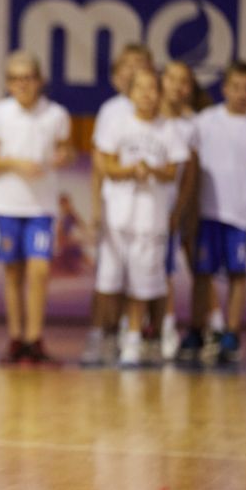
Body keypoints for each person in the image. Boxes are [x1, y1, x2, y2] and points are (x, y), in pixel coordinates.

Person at [177, 60, 246, 366]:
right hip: (207, 212)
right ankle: (197, 330)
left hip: (241, 215)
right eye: (236, 87)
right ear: (224, 88)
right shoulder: (205, 122)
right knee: (202, 273)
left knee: (239, 274)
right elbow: (190, 166)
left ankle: (231, 334)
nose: (241, 94)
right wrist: (190, 210)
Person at [0, 50, 75, 366]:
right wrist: (15, 163)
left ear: (39, 80)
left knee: (40, 270)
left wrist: (63, 157)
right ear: (8, 83)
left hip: (41, 206)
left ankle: (35, 338)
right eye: (16, 79)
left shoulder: (55, 115)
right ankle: (16, 338)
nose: (22, 84)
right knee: (13, 273)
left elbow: (67, 151)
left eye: (28, 78)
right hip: (6, 203)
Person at [95, 68, 189, 367]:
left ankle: (135, 338)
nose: (147, 94)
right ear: (131, 92)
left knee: (142, 282)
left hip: (151, 218)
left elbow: (173, 171)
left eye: (152, 89)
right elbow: (107, 166)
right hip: (119, 216)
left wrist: (152, 170)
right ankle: (110, 334)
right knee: (111, 282)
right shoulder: (117, 124)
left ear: (159, 93)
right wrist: (131, 170)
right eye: (141, 88)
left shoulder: (169, 129)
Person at [79, 43, 154, 366]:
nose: (134, 69)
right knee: (107, 277)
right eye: (128, 64)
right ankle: (101, 334)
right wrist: (96, 208)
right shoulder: (111, 111)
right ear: (116, 74)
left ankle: (135, 334)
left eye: (141, 63)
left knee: (142, 277)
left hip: (148, 210)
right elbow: (100, 163)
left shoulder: (158, 112)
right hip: (116, 207)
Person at [157, 61, 202, 360]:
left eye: (183, 81)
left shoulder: (191, 125)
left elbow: (190, 173)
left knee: (173, 269)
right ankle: (138, 329)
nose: (177, 86)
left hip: (176, 208)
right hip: (144, 209)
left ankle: (175, 328)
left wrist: (183, 209)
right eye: (171, 79)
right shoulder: (148, 118)